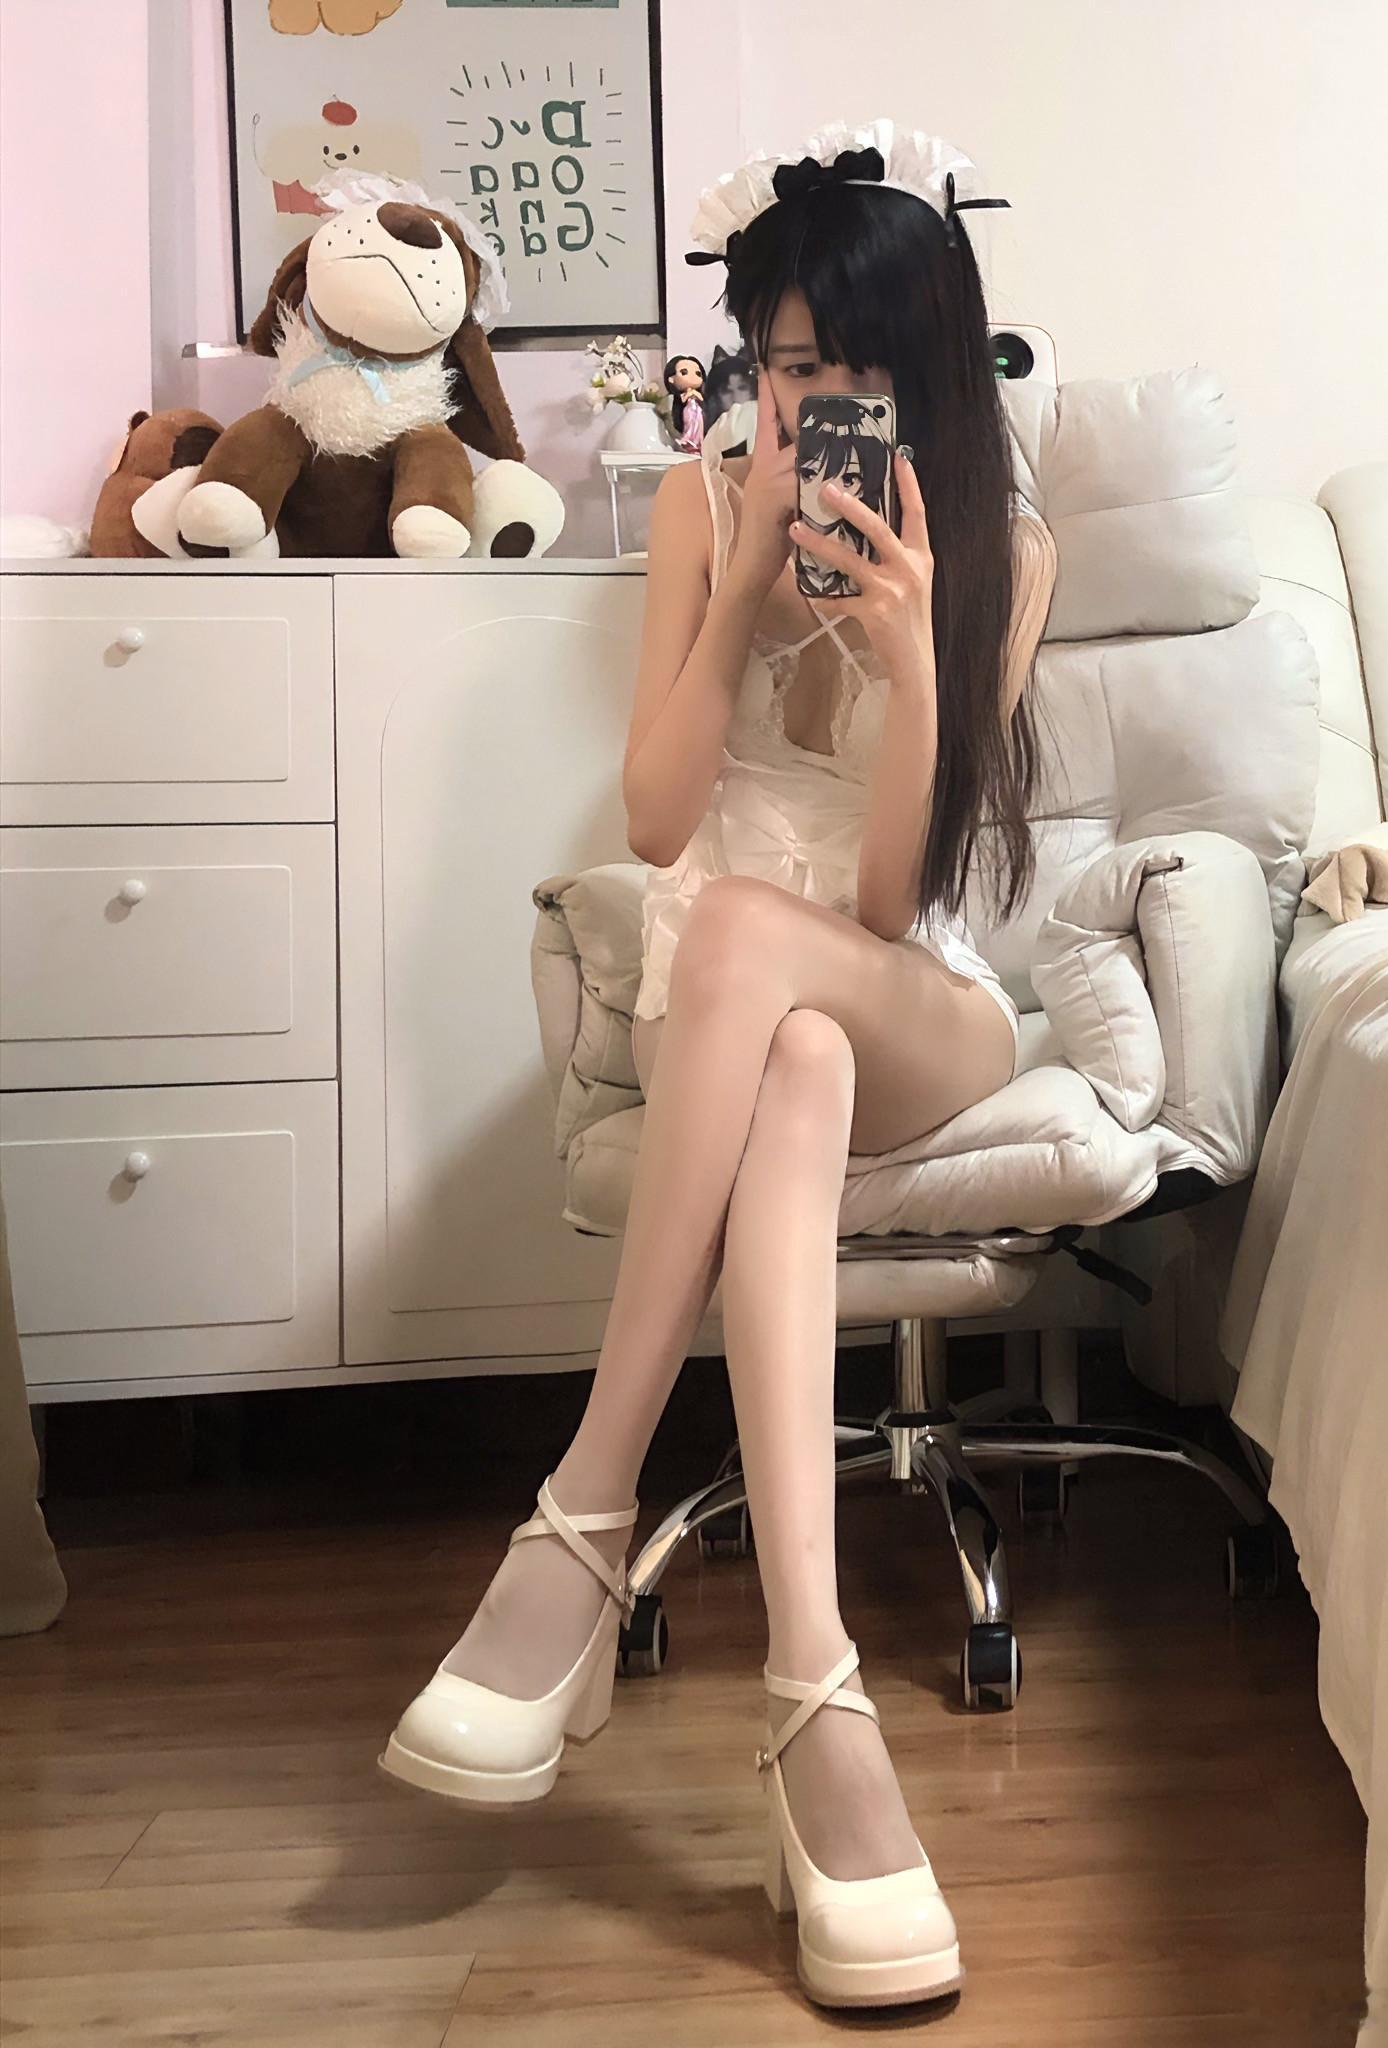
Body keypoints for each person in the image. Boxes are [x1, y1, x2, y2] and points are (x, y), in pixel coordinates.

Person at [382, 118, 1058, 2013]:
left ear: (923, 380)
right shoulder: (700, 510)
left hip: (913, 992)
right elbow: (662, 824)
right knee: (787, 1051)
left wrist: (914, 661)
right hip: (747, 1011)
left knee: (803, 980)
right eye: (777, 367)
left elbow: (894, 896)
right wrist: (749, 574)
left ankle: (584, 1510)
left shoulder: (1013, 549)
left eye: (843, 375)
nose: (802, 407)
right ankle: (816, 1699)